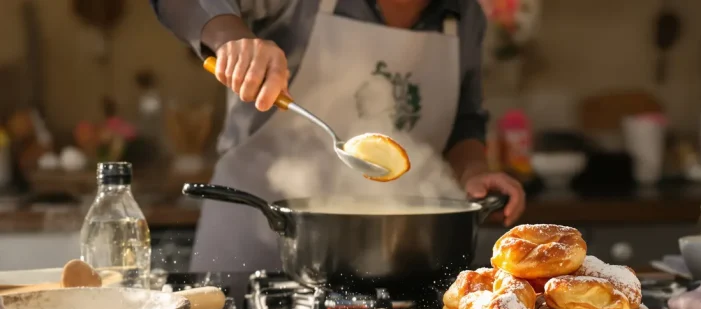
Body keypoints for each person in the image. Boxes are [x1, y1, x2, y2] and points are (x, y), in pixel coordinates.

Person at [151, 0, 526, 272]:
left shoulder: (465, 15)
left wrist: (474, 170)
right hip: (255, 229)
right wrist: (231, 36)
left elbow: (465, 120)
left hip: (389, 256)